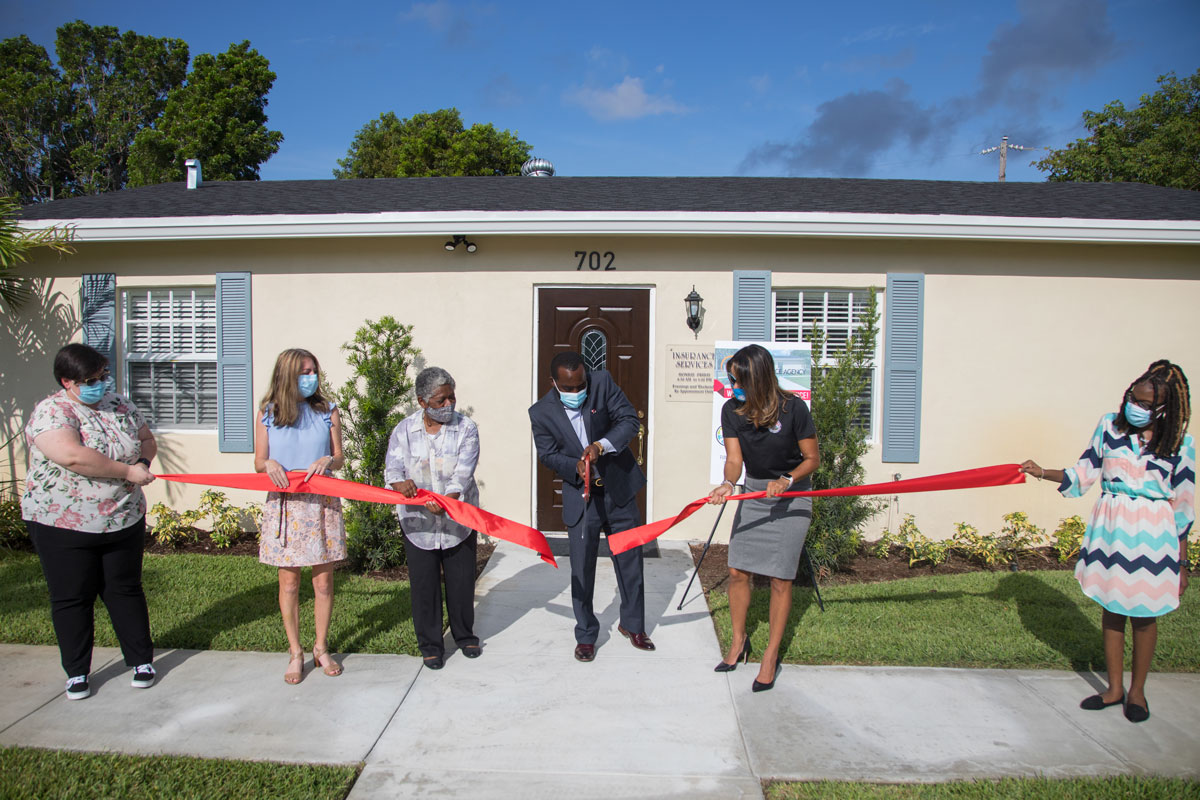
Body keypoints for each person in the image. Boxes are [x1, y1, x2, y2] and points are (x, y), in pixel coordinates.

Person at [1021, 360, 1192, 723]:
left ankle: (1138, 693)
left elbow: (1184, 504)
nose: (1135, 407)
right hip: (1113, 528)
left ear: (1163, 409)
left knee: (1145, 615)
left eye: (1145, 404)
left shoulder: (1180, 442)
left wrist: (1183, 561)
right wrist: (1042, 472)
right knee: (1113, 609)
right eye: (1133, 398)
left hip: (1154, 534)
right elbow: (1084, 472)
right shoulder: (1109, 428)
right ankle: (1114, 689)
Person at [21, 343, 158, 700]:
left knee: (125, 590)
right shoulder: (52, 412)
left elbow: (146, 438)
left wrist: (143, 460)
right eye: (90, 380)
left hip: (123, 518)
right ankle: (77, 672)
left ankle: (141, 660)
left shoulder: (119, 404)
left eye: (103, 376)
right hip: (64, 523)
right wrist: (127, 470)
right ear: (68, 381)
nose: (100, 384)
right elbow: (73, 456)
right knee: (72, 597)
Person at [707, 344, 820, 693]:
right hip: (755, 493)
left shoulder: (793, 409)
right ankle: (739, 642)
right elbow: (734, 459)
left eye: (738, 381)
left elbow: (813, 458)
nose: (732, 386)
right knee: (738, 569)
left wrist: (787, 479)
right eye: (730, 380)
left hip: (793, 494)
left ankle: (770, 655)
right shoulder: (732, 411)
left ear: (758, 379)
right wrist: (728, 483)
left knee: (780, 579)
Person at [529, 351, 652, 662]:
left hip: (618, 491)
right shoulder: (540, 412)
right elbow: (547, 455)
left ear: (586, 376)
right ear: (553, 382)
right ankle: (586, 634)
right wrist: (575, 466)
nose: (575, 392)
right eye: (567, 388)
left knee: (630, 561)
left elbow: (627, 420)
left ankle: (633, 625)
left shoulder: (603, 382)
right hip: (582, 499)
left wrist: (600, 445)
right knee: (582, 568)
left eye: (580, 385)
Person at [254, 348, 347, 683]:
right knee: (290, 582)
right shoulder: (268, 412)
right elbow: (258, 462)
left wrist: (328, 462)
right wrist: (270, 464)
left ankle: (321, 647)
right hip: (286, 506)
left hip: (322, 503)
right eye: (304, 371)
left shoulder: (328, 410)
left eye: (314, 370)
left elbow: (339, 457)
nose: (311, 377)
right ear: (287, 375)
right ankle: (296, 651)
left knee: (322, 581)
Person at [385, 367, 482, 670]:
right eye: (441, 400)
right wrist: (399, 484)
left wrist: (448, 499)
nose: (449, 405)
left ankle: (464, 636)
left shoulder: (466, 428)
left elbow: (463, 473)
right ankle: (430, 645)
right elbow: (392, 470)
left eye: (452, 397)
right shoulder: (404, 430)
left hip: (457, 520)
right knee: (424, 586)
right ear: (422, 402)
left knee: (462, 582)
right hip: (418, 524)